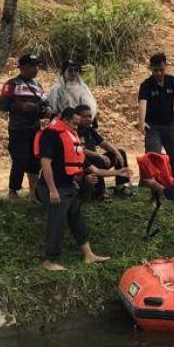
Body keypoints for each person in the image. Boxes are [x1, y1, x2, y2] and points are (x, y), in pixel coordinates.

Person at [33, 106, 111, 271]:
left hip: (68, 187)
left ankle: (89, 255)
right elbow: (45, 164)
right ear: (66, 120)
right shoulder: (50, 135)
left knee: (77, 218)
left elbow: (91, 168)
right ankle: (50, 260)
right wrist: (52, 190)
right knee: (57, 222)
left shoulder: (71, 137)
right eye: (75, 124)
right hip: (54, 188)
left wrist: (118, 172)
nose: (77, 127)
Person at [0, 53, 50, 203]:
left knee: (34, 160)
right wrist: (21, 106)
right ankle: (13, 192)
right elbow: (3, 105)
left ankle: (33, 193)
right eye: (31, 66)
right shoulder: (11, 84)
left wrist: (46, 110)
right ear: (22, 67)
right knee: (20, 159)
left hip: (34, 128)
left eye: (37, 66)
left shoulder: (37, 86)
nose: (35, 69)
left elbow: (45, 103)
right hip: (18, 129)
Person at [138, 53, 174, 167]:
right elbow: (143, 103)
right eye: (155, 70)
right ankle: (151, 183)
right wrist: (141, 122)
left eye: (161, 70)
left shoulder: (172, 82)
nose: (159, 73)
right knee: (152, 159)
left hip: (170, 125)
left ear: (166, 67)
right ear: (150, 69)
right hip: (153, 128)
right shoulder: (146, 85)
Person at [77, 105, 131, 199]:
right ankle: (100, 192)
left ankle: (120, 186)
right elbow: (80, 149)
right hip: (83, 165)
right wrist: (99, 155)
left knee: (120, 153)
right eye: (85, 116)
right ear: (77, 117)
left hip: (95, 160)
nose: (88, 119)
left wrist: (116, 152)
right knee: (96, 160)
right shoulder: (74, 131)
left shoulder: (90, 129)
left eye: (90, 116)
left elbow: (103, 143)